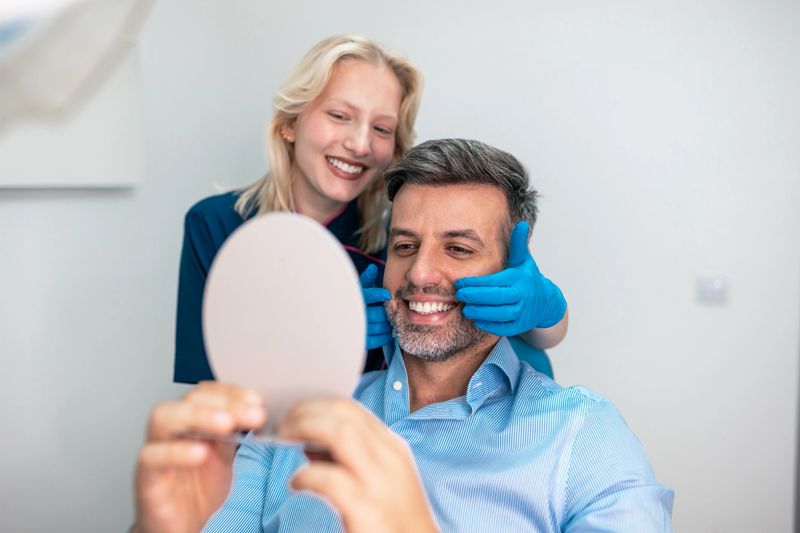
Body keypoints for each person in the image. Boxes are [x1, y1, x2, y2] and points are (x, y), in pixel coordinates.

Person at [138, 139, 673, 532]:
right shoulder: (287, 428)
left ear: (514, 269)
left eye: (458, 249)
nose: (419, 273)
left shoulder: (582, 436)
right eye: (404, 246)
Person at [173, 35, 568, 384]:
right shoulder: (218, 225)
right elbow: (209, 385)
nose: (360, 145)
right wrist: (316, 346)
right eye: (339, 116)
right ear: (289, 124)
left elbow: (536, 342)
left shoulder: (403, 236)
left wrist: (546, 307)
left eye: (381, 129)